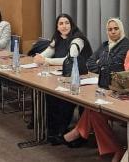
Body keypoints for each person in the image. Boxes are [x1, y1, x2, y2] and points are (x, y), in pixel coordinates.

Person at [60, 18, 129, 162]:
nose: (113, 32)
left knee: (93, 109)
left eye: (116, 29)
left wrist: (102, 64)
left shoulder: (126, 45)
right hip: (103, 85)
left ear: (121, 29)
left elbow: (115, 66)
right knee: (93, 108)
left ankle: (79, 131)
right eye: (110, 29)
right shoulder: (105, 45)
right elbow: (90, 62)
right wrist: (102, 65)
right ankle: (115, 148)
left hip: (118, 88)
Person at [33, 13, 93, 144]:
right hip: (63, 75)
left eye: (67, 23)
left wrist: (46, 61)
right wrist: (39, 57)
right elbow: (48, 53)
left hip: (81, 77)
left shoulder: (77, 39)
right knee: (49, 94)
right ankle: (51, 130)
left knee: (63, 99)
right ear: (57, 27)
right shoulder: (58, 37)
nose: (64, 26)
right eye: (61, 23)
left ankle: (61, 131)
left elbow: (69, 59)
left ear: (71, 25)